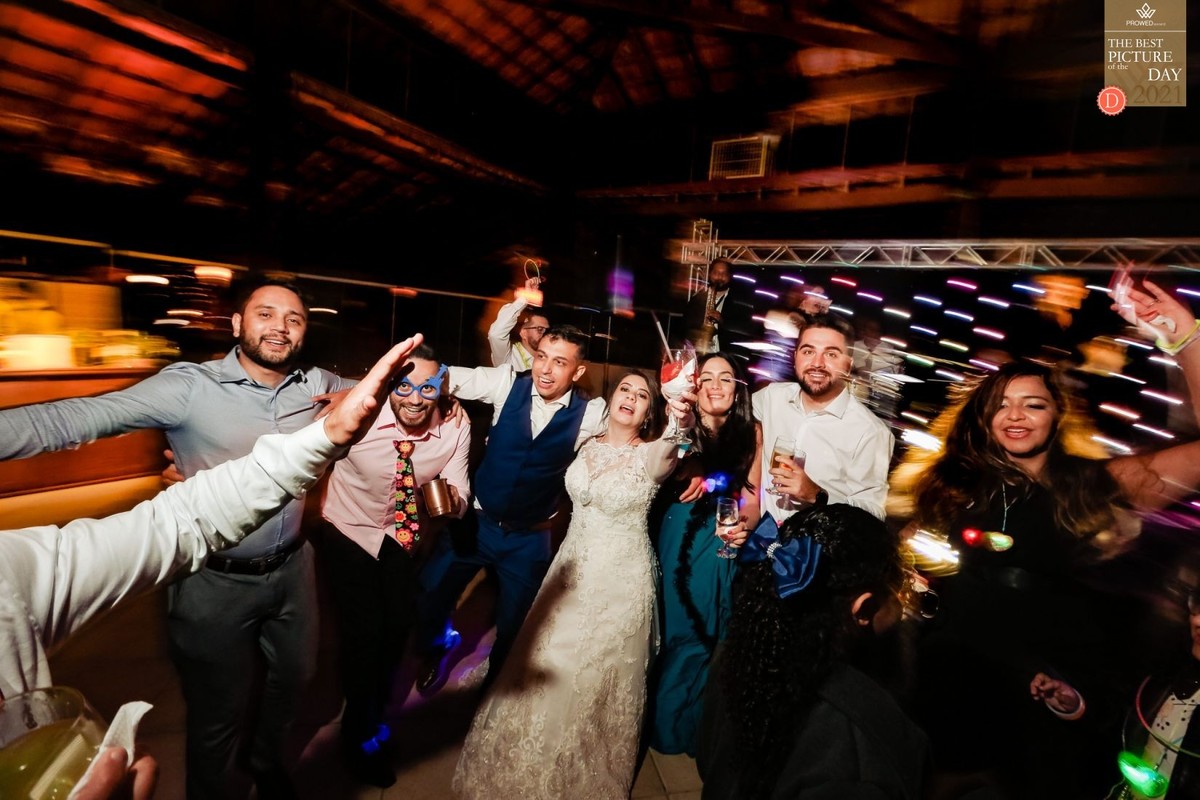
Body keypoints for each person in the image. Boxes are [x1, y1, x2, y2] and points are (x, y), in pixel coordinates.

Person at [0, 335, 424, 796]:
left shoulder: (314, 383)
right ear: (239, 322)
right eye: (266, 313)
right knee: (217, 706)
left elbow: (409, 380)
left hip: (290, 565)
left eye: (295, 318)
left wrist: (354, 398)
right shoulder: (190, 387)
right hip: (213, 575)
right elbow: (79, 417)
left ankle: (265, 762)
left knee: (295, 677)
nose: (280, 326)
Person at [889, 276, 1200, 798]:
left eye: (1033, 403)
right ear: (985, 418)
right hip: (956, 689)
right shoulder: (952, 483)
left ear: (1057, 415)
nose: (1015, 415)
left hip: (1053, 696)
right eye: (1002, 404)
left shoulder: (1095, 485)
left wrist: (1185, 337)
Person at [453, 368, 692, 799]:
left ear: (648, 412)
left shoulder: (653, 456)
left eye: (642, 395)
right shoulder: (586, 442)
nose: (631, 398)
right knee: (547, 665)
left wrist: (678, 410)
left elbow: (674, 442)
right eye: (625, 389)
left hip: (620, 580)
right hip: (569, 570)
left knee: (595, 680)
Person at [413, 324, 609, 693]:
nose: (545, 370)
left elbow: (629, 439)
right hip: (477, 521)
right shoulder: (507, 383)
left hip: (529, 537)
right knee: (431, 588)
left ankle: (495, 691)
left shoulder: (592, 414)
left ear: (578, 371)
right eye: (541, 357)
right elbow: (443, 375)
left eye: (559, 362)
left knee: (516, 623)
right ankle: (433, 650)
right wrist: (358, 392)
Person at [314, 344, 471, 787]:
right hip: (346, 530)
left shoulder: (455, 425)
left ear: (442, 389)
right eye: (404, 385)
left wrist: (452, 501)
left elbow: (460, 491)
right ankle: (357, 736)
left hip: (402, 538)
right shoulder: (357, 416)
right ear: (388, 386)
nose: (415, 398)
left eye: (427, 387)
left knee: (397, 631)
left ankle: (373, 716)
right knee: (364, 636)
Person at [697, 504, 928, 799]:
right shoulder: (859, 750)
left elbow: (710, 760)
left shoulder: (737, 655)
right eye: (900, 591)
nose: (903, 603)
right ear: (863, 608)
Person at [648, 351, 761, 756]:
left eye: (726, 378)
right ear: (694, 385)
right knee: (684, 631)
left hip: (724, 541)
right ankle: (668, 729)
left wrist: (744, 528)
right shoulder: (680, 424)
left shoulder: (752, 431)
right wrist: (695, 464)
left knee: (716, 632)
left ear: (738, 389)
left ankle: (698, 725)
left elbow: (751, 497)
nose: (715, 385)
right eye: (707, 377)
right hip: (683, 535)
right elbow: (672, 466)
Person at [752, 313, 893, 523]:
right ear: (795, 357)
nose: (817, 363)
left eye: (831, 354)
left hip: (818, 551)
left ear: (848, 364)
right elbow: (724, 418)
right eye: (808, 351)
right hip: (762, 542)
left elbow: (873, 514)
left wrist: (818, 496)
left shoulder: (870, 431)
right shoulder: (772, 397)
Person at [682, 258, 753, 353]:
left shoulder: (739, 302)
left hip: (727, 353)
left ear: (730, 276)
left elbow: (745, 329)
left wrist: (722, 321)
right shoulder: (697, 300)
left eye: (724, 274)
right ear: (710, 274)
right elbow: (685, 326)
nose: (719, 277)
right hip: (700, 351)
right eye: (716, 273)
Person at [488, 277, 550, 370]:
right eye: (540, 329)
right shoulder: (508, 357)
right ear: (523, 332)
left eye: (547, 330)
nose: (544, 334)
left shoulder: (549, 360)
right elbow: (496, 334)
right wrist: (525, 297)